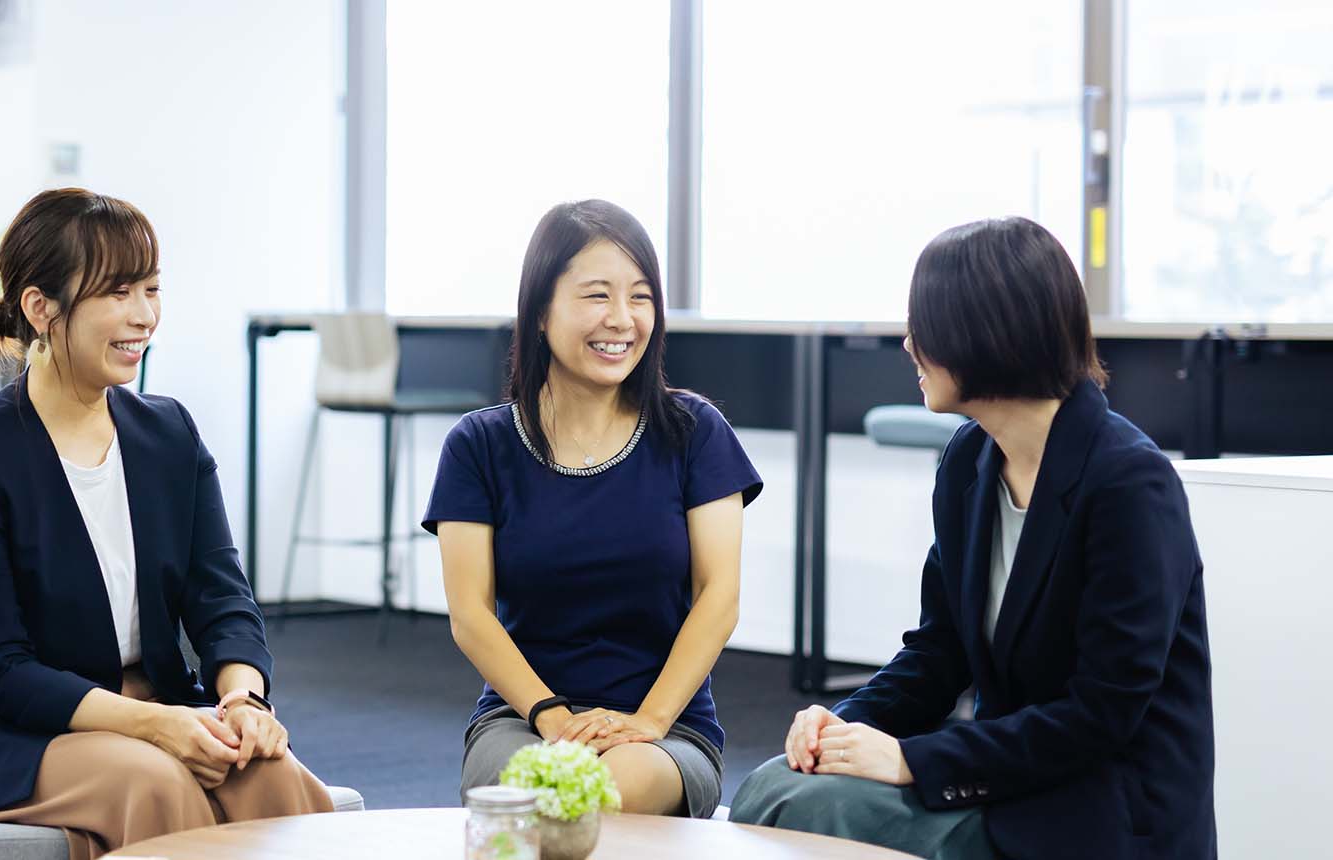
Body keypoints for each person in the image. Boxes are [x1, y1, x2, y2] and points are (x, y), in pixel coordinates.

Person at [729, 217, 1215, 859]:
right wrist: (845, 723)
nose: (910, 344)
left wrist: (911, 761)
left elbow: (1101, 715)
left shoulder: (1128, 482)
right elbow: (939, 653)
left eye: (924, 325)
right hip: (1010, 779)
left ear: (986, 332)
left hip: (1100, 809)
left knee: (798, 807)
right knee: (774, 784)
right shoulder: (969, 461)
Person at [0, 188, 333, 860]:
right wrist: (152, 725)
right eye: (118, 292)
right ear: (41, 308)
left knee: (272, 774)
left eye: (151, 290)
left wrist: (244, 701)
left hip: (156, 711)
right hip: (4, 733)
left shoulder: (169, 434)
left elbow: (222, 599)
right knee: (157, 782)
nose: (144, 315)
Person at [424, 199, 762, 818]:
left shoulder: (694, 431)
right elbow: (470, 615)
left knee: (599, 794)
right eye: (597, 296)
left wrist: (649, 720)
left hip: (665, 728)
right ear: (540, 311)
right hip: (522, 718)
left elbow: (720, 596)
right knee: (542, 792)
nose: (622, 320)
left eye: (640, 297)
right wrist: (551, 717)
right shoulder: (479, 445)